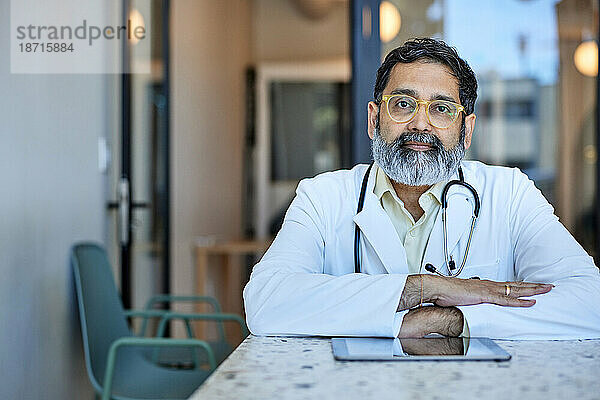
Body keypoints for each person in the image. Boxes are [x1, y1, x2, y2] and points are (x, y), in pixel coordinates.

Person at [243, 38, 600, 339]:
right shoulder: (323, 196)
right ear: (373, 119)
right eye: (402, 104)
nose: (420, 123)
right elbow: (266, 302)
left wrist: (454, 319)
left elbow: (590, 302)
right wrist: (422, 288)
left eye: (442, 109)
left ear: (466, 129)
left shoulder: (509, 193)